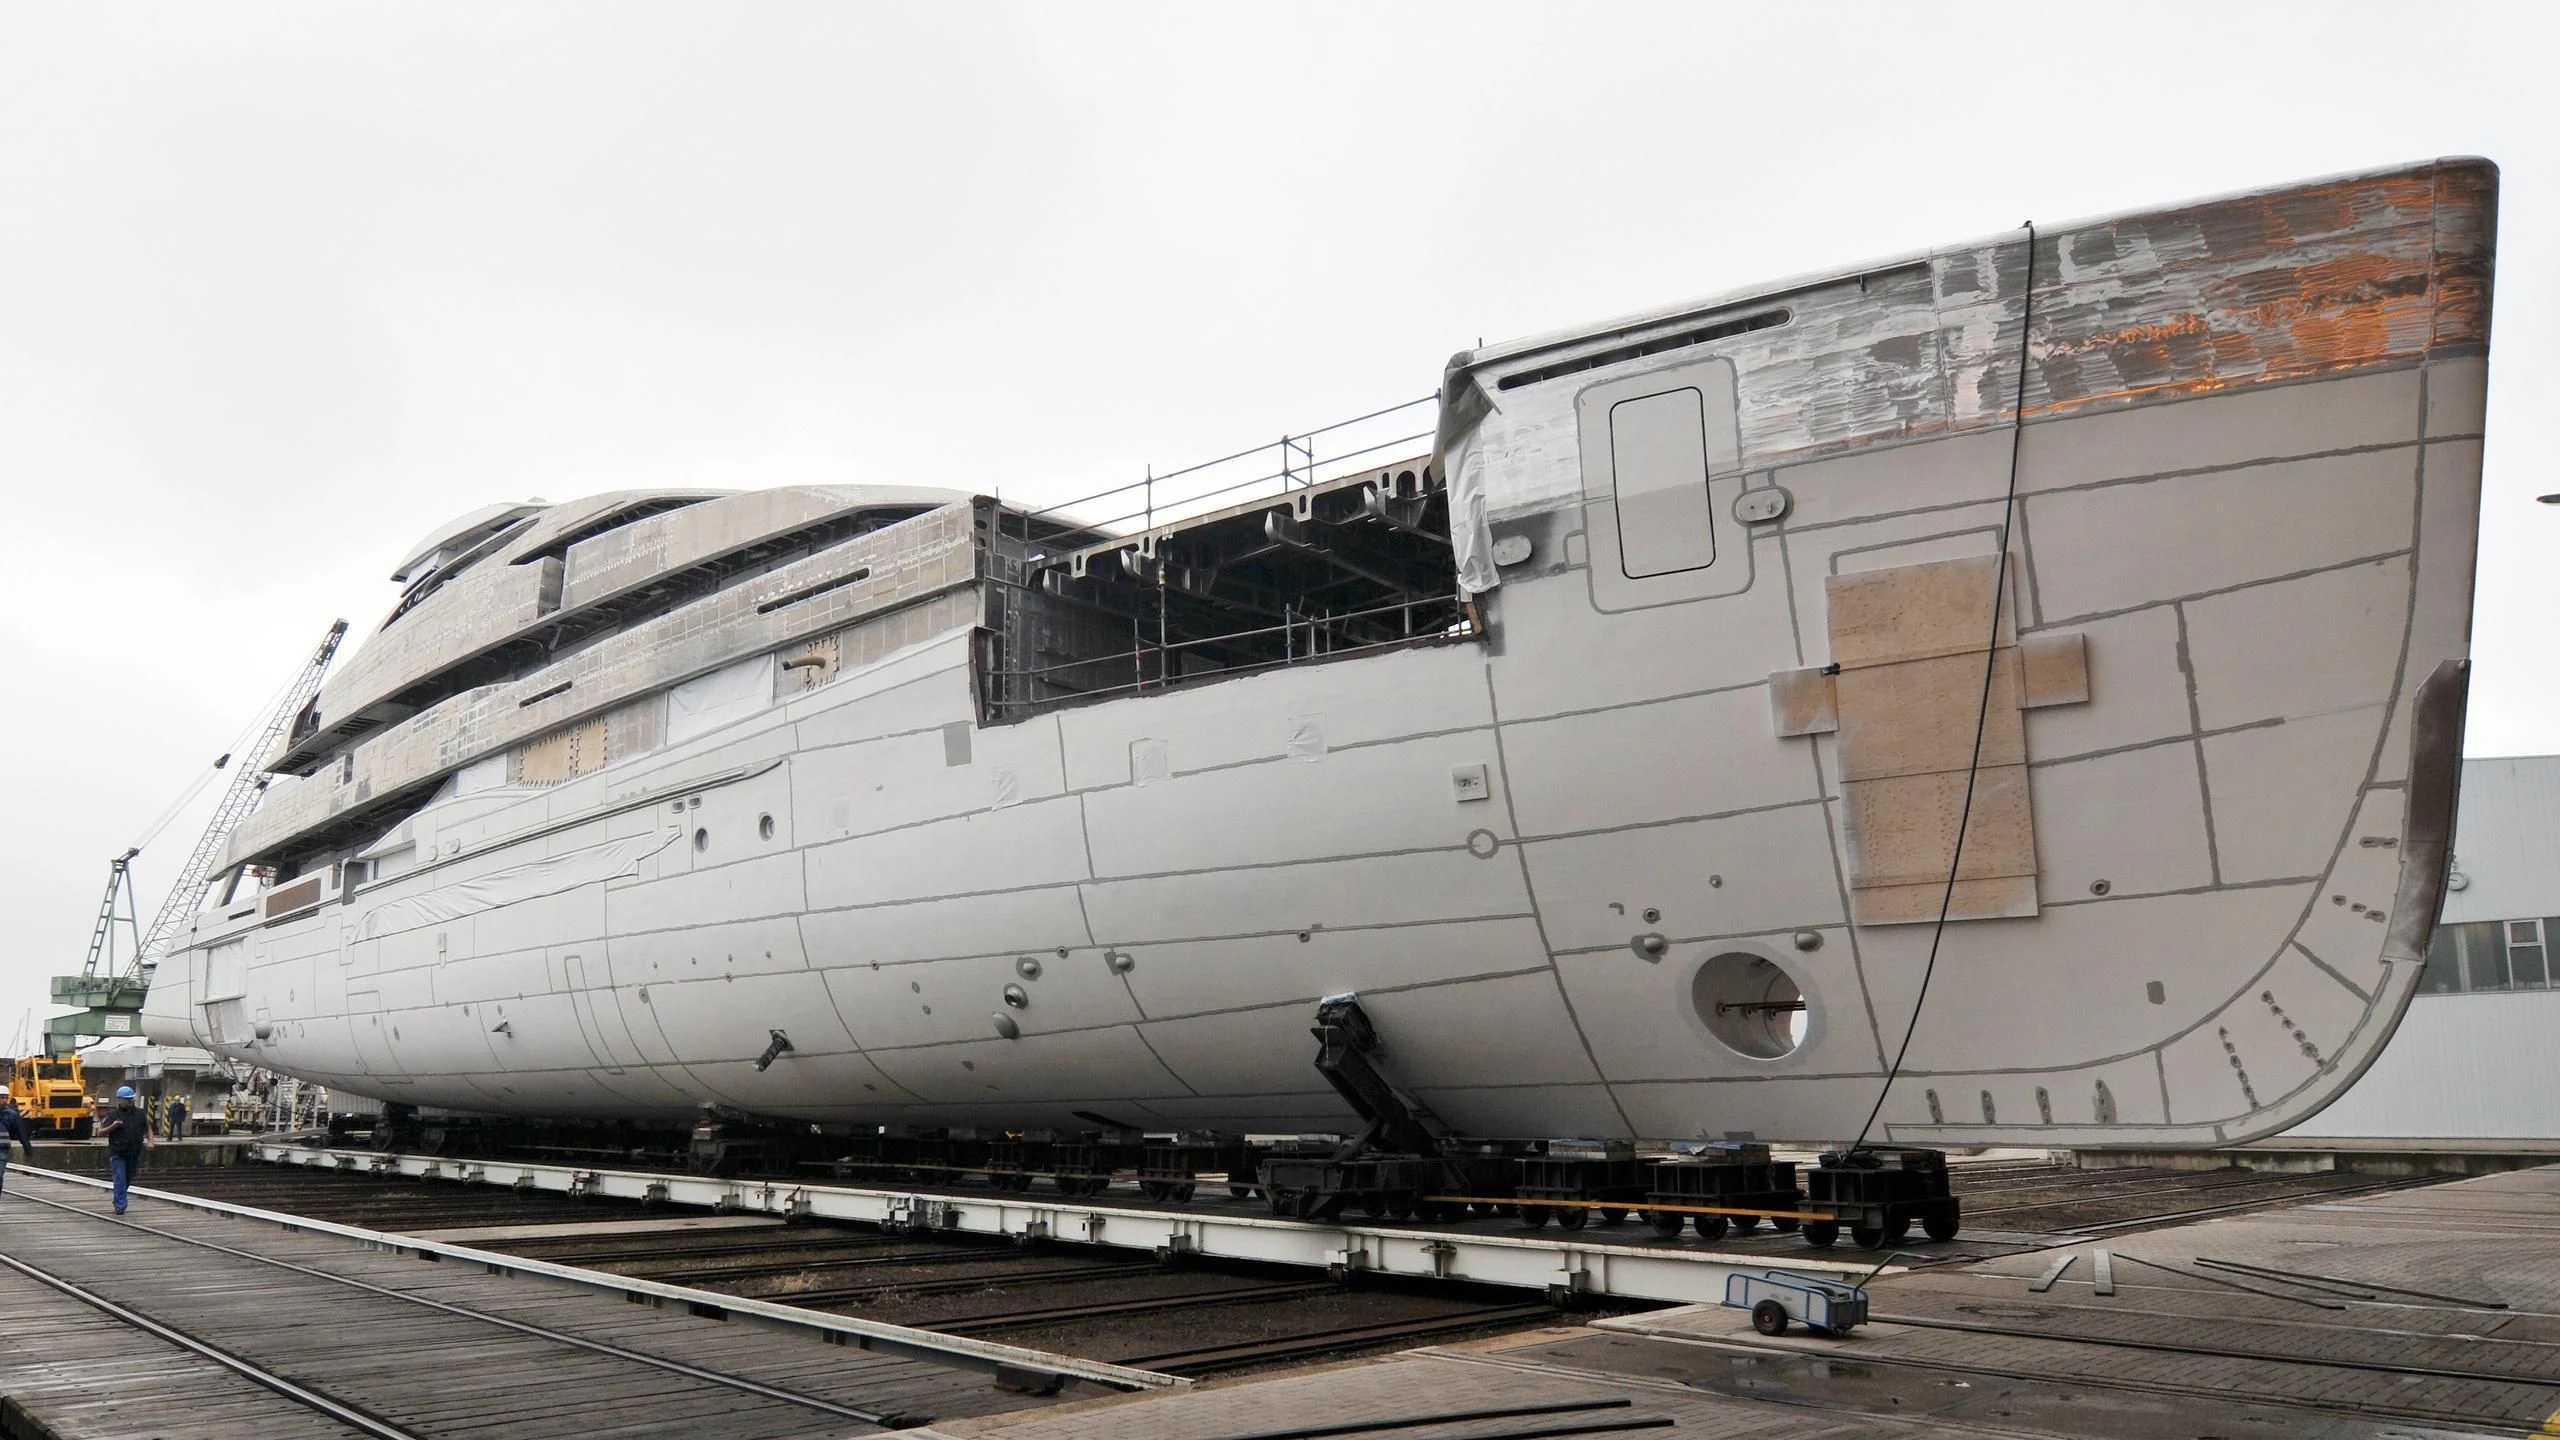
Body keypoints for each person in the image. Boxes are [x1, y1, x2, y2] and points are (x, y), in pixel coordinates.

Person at [100, 1086, 150, 1214]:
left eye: (129, 1099)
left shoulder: (140, 1113)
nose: (128, 1102)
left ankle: (119, 1199)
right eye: (124, 1099)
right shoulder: (113, 1115)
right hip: (118, 1152)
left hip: (134, 1152)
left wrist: (151, 1141)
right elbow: (101, 1132)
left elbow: (147, 1128)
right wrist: (114, 1126)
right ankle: (120, 1205)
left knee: (128, 1178)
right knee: (120, 1179)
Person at [0, 1096, 33, 1194]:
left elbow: (21, 1132)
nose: (4, 1100)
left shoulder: (11, 1115)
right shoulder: (11, 1115)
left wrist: (27, 1148)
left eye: (5, 1098)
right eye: (1, 1098)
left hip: (2, 1150)